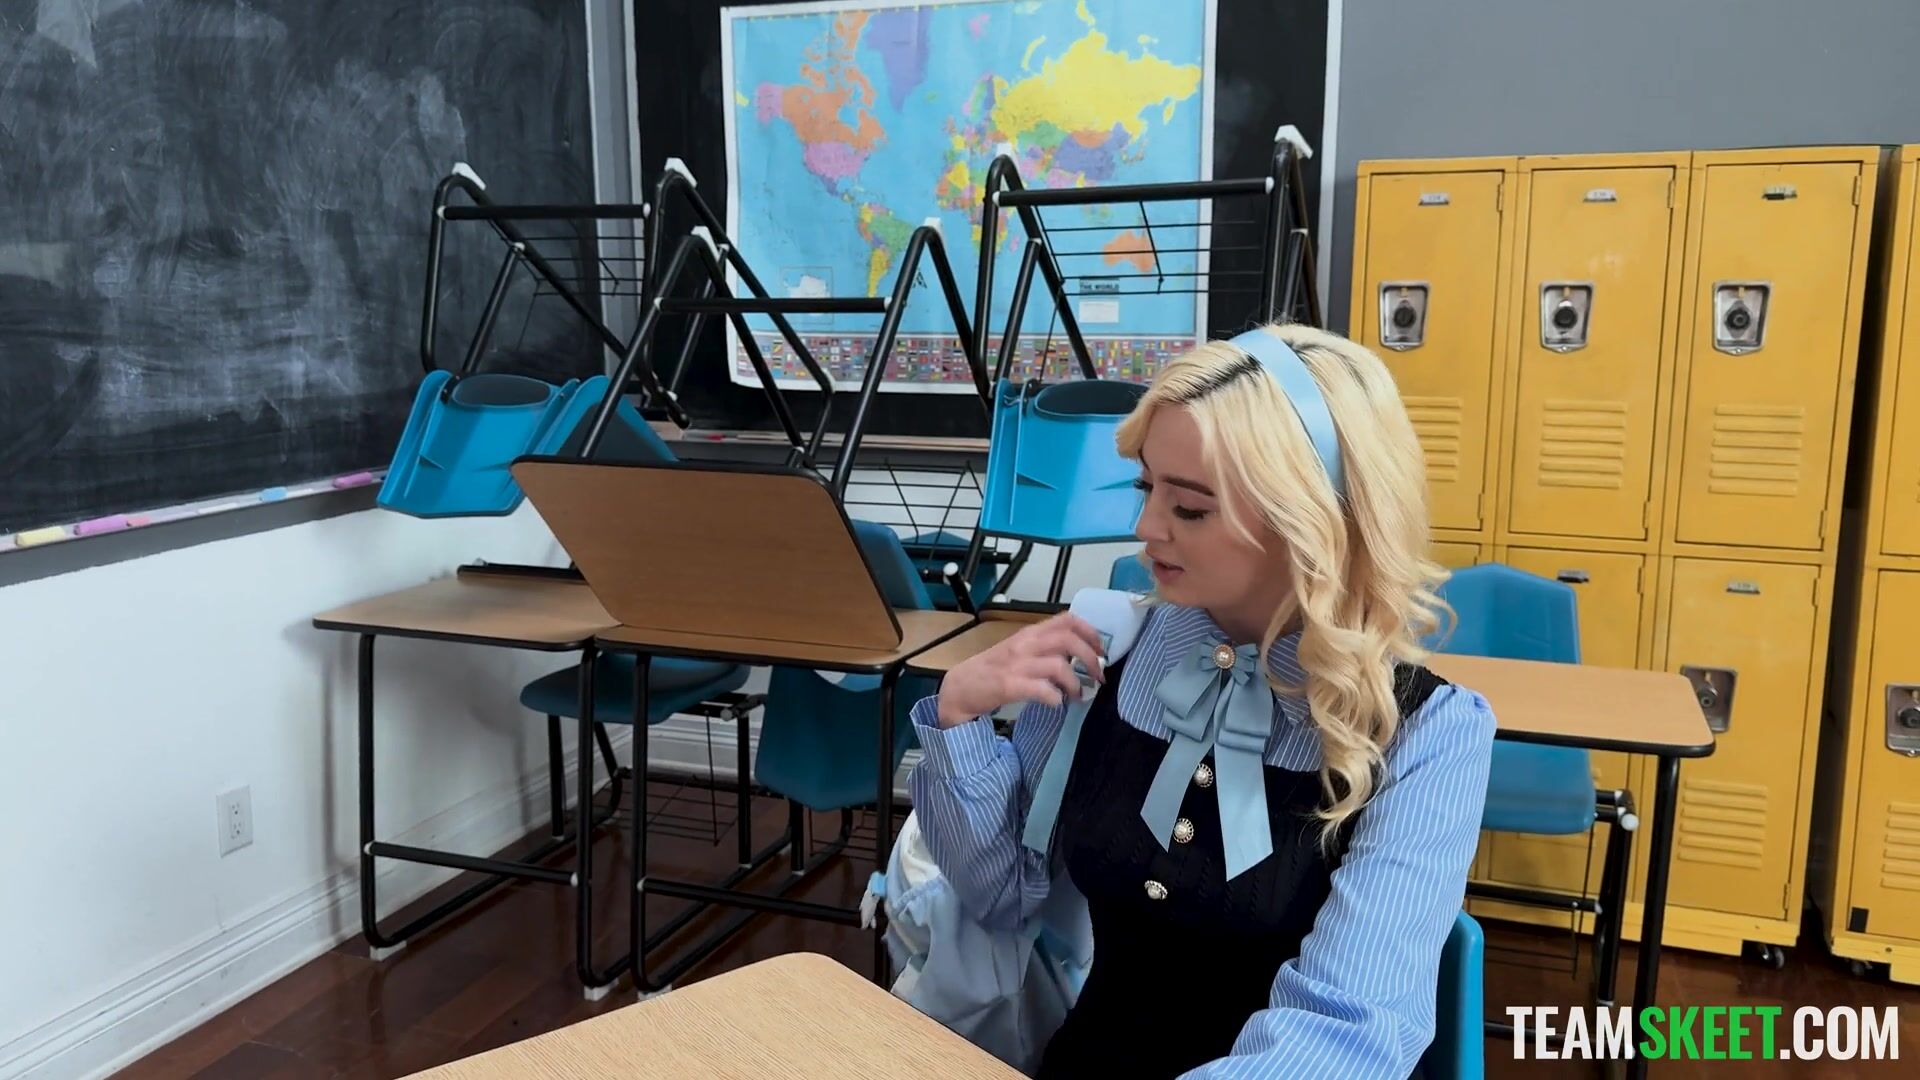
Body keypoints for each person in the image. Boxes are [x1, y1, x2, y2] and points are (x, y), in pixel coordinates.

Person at [904, 322, 1497, 1079]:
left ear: (1310, 521)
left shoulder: (1429, 732)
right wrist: (958, 717)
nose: (1144, 528)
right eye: (1146, 487)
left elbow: (1346, 1032)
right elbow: (1003, 898)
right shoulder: (1106, 647)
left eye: (1189, 508)